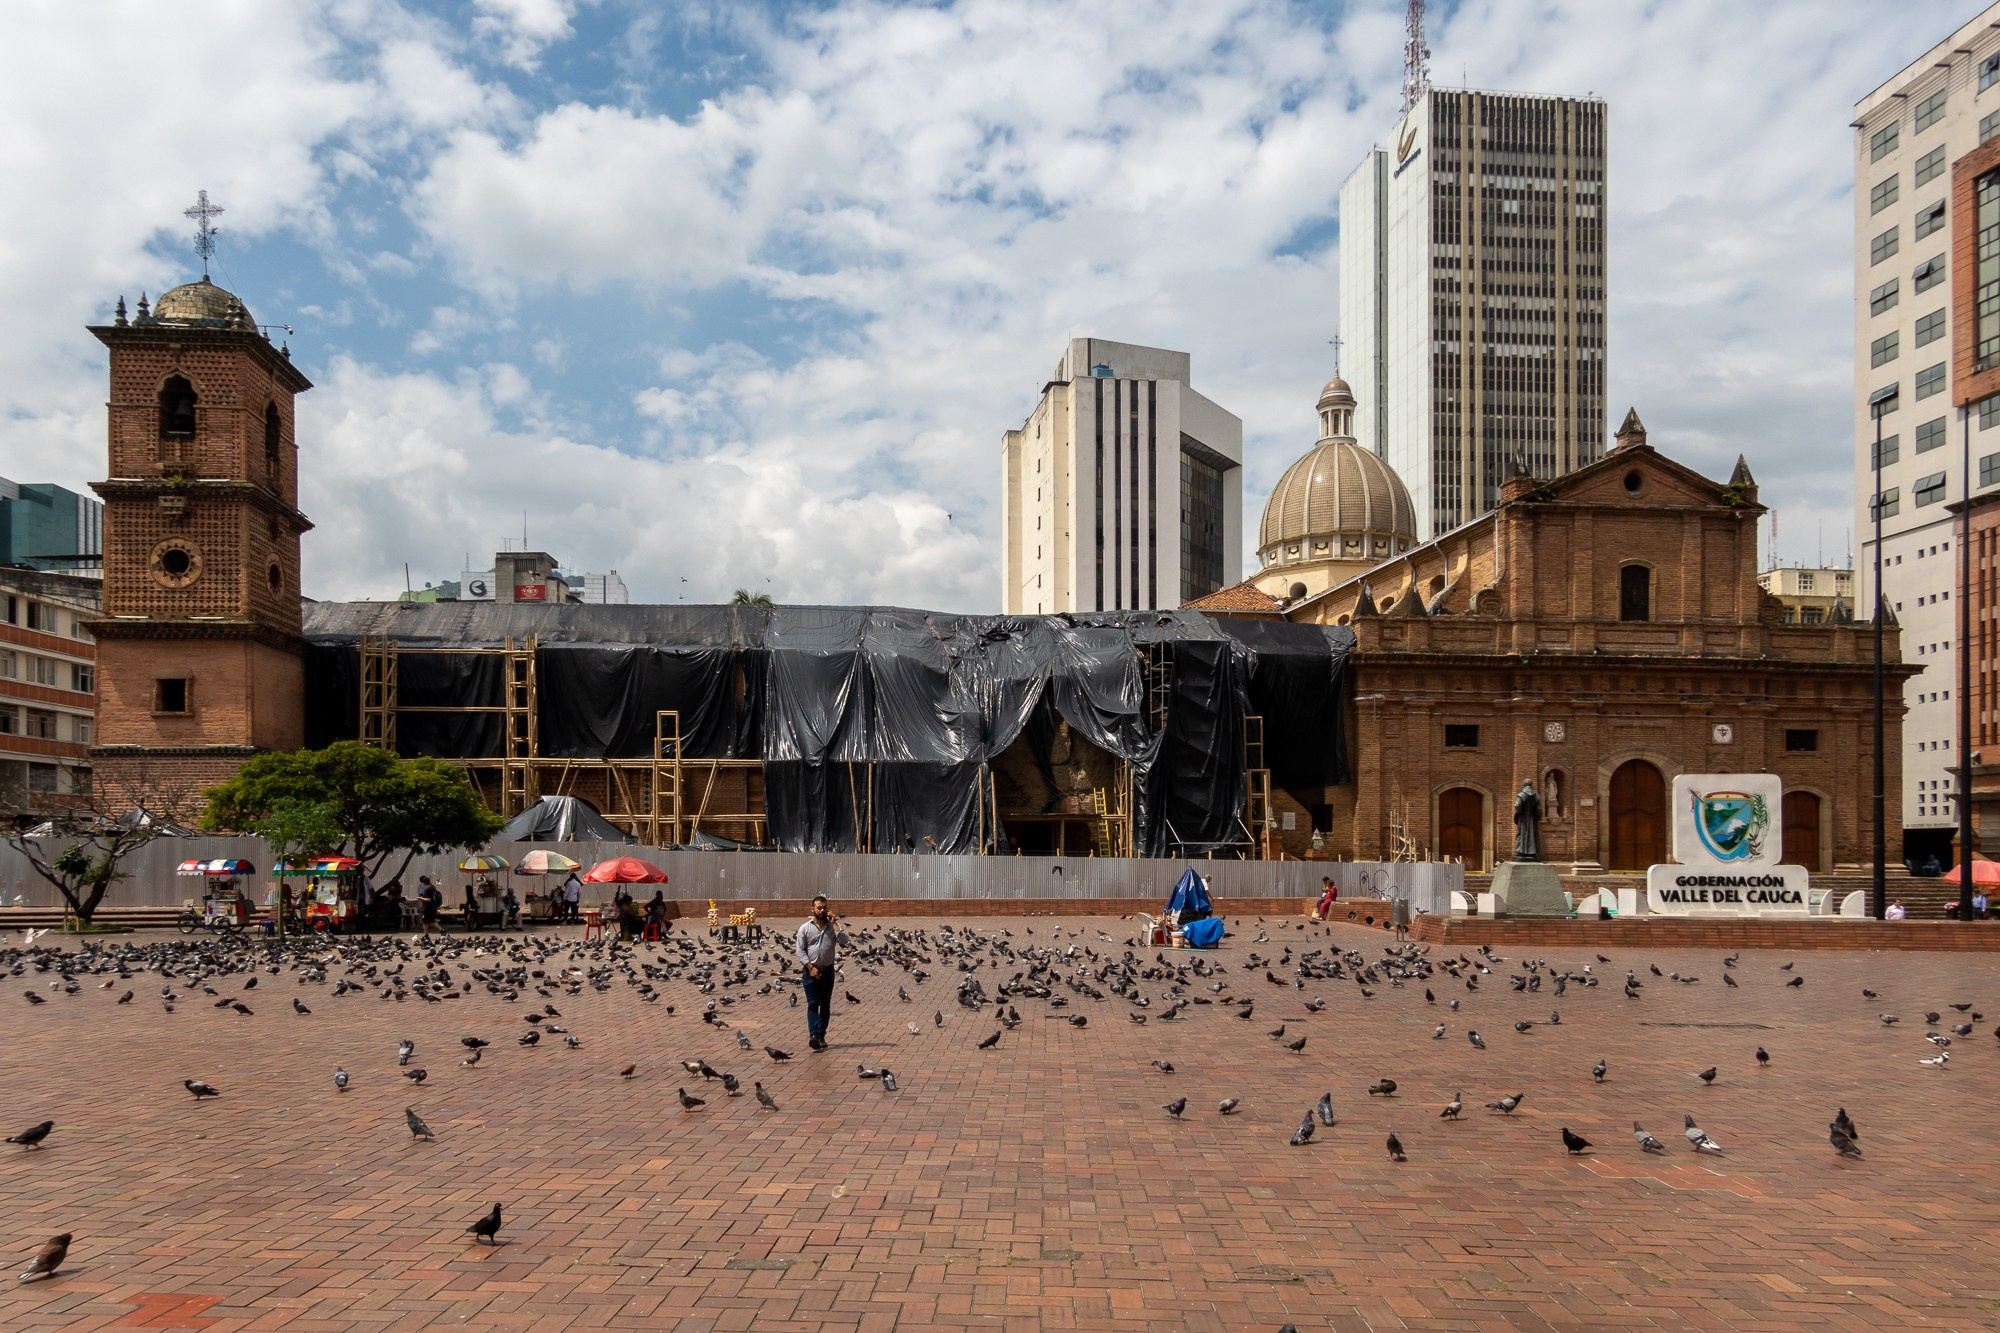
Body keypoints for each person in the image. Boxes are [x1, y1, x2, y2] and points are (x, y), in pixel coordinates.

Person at [794, 894, 850, 1051]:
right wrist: (810, 968)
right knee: (813, 1003)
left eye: (825, 907)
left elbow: (845, 941)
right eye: (819, 907)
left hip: (827, 971)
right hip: (810, 971)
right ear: (813, 909)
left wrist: (836, 924)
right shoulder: (805, 928)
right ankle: (814, 1035)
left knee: (825, 1004)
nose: (822, 910)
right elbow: (800, 950)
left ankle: (820, 1035)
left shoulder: (832, 927)